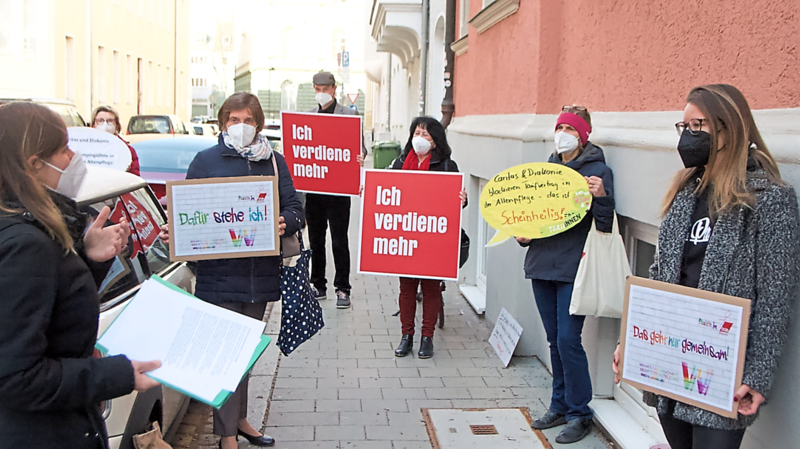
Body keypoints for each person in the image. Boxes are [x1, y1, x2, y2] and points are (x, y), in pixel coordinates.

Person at [612, 84, 800, 449]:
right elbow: (659, 277)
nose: (688, 136)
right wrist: (630, 341)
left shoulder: (770, 200)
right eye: (683, 127)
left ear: (730, 128)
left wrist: (758, 377)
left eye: (698, 126)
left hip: (723, 373)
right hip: (668, 362)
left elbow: (776, 298)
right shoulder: (685, 192)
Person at [0, 102, 161, 448]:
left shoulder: (32, 227)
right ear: (32, 165)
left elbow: (47, 311)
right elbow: (16, 376)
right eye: (63, 149)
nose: (74, 157)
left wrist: (89, 260)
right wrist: (117, 374)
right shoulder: (25, 244)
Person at [160, 92, 303, 449]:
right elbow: (187, 212)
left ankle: (239, 420)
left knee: (245, 355)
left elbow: (295, 207)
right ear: (223, 122)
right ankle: (226, 436)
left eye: (248, 120)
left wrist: (285, 220)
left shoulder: (273, 162)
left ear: (259, 123)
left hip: (258, 276)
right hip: (218, 277)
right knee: (225, 357)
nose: (241, 126)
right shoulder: (206, 160)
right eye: (234, 119)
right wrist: (176, 230)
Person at [516, 106, 614, 444]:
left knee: (570, 341)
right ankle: (559, 404)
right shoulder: (547, 170)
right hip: (542, 264)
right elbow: (534, 215)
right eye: (558, 126)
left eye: (568, 128)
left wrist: (601, 197)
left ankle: (579, 412)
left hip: (575, 268)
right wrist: (524, 234)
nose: (561, 133)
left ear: (582, 135)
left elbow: (605, 225)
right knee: (554, 341)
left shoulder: (597, 172)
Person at [390, 117, 467, 359]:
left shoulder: (447, 166)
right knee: (407, 288)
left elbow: (457, 206)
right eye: (416, 132)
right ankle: (406, 336)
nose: (419, 138)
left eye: (425, 134)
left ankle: (427, 337)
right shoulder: (400, 162)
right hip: (407, 238)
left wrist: (462, 199)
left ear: (435, 141)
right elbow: (386, 192)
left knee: (431, 288)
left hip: (434, 240)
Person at [304, 71, 364, 309]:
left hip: (339, 191)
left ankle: (343, 288)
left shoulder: (348, 114)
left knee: (339, 241)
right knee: (316, 241)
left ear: (334, 88)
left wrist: (360, 157)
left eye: (325, 88)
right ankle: (318, 284)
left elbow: (360, 148)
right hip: (315, 191)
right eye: (317, 89)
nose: (321, 93)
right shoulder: (307, 116)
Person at [91, 105, 141, 175]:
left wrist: (126, 172)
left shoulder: (128, 151)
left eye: (110, 121)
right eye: (100, 121)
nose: (105, 124)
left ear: (117, 125)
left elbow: (135, 179)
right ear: (93, 124)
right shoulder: (85, 147)